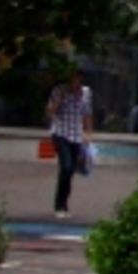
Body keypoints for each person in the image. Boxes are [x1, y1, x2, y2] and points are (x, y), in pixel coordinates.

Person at [47, 67, 92, 219]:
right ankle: (59, 205)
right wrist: (60, 99)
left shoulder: (85, 93)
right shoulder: (59, 91)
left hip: (76, 135)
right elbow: (50, 111)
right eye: (74, 78)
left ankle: (64, 203)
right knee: (66, 166)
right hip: (61, 133)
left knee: (71, 170)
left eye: (79, 78)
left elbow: (87, 113)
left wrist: (88, 133)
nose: (76, 82)